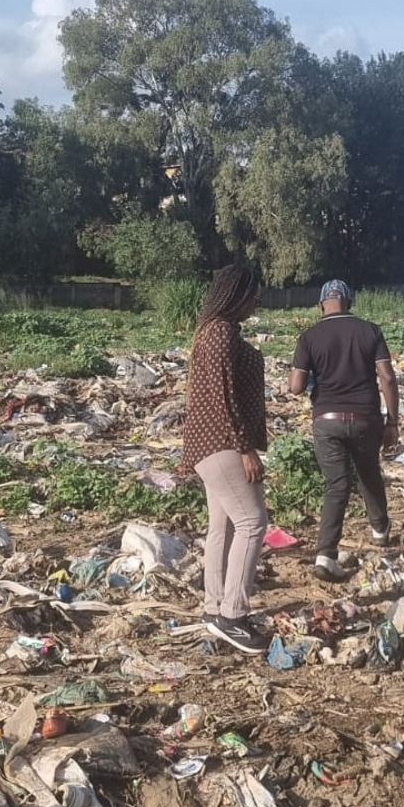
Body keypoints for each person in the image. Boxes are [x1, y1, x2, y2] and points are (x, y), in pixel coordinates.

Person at [179, 265, 270, 653]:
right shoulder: (220, 333)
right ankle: (233, 616)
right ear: (236, 295)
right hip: (222, 444)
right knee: (253, 522)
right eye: (253, 295)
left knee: (224, 526)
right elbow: (223, 396)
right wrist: (245, 448)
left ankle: (214, 607)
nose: (256, 302)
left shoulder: (213, 331)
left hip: (210, 445)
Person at [290, 280, 399, 583]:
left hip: (327, 419)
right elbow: (388, 378)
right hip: (365, 417)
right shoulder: (370, 331)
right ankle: (380, 530)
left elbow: (296, 387)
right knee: (369, 471)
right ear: (349, 302)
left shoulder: (309, 337)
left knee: (337, 484)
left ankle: (326, 554)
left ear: (321, 305)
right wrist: (392, 421)